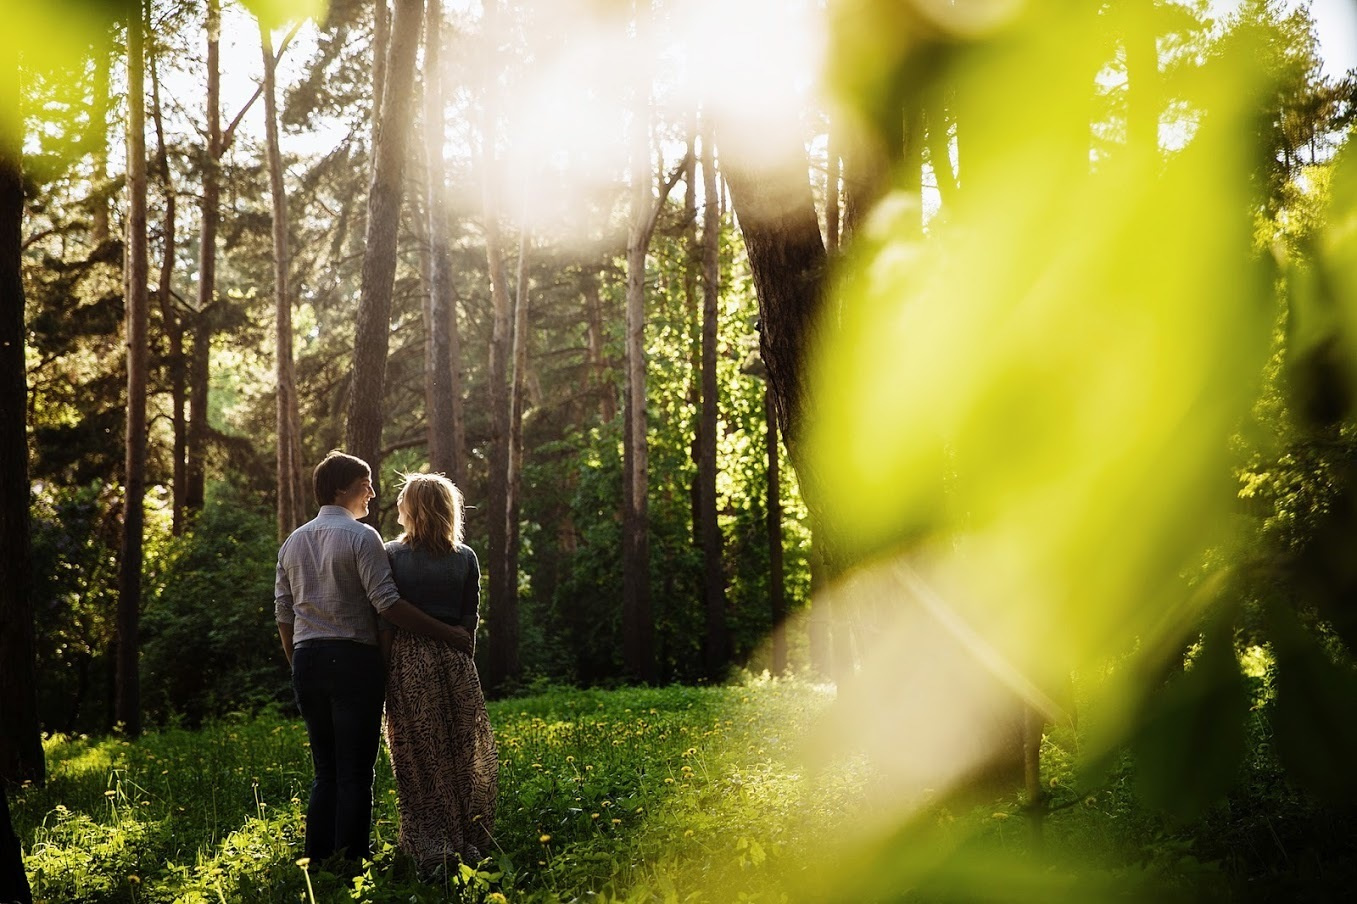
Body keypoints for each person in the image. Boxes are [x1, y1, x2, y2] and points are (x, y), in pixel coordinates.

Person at [275, 451, 472, 868]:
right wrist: (442, 638)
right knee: (355, 772)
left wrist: (297, 662)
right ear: (342, 488)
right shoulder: (363, 537)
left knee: (325, 768)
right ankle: (351, 861)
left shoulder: (294, 540)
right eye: (365, 483)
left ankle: (317, 859)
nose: (372, 492)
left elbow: (283, 612)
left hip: (308, 659)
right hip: (352, 659)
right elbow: (386, 605)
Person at [380, 472, 497, 873]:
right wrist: (462, 652)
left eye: (402, 499)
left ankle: (430, 841)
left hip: (410, 660)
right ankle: (469, 834)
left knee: (418, 752)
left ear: (414, 509)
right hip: (457, 662)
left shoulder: (392, 555)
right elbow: (470, 618)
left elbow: (386, 614)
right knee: (461, 750)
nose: (397, 505)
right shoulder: (466, 557)